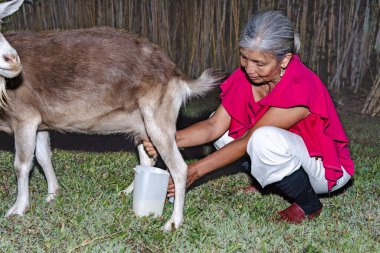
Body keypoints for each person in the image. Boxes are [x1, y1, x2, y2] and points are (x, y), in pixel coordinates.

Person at [143, 10, 354, 224]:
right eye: (245, 58)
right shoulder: (247, 76)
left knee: (262, 139)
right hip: (289, 154)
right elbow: (214, 126)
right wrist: (168, 139)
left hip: (323, 171)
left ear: (285, 60)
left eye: (259, 63)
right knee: (225, 128)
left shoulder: (302, 86)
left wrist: (193, 171)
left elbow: (248, 141)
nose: (249, 69)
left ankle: (309, 205)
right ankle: (269, 181)